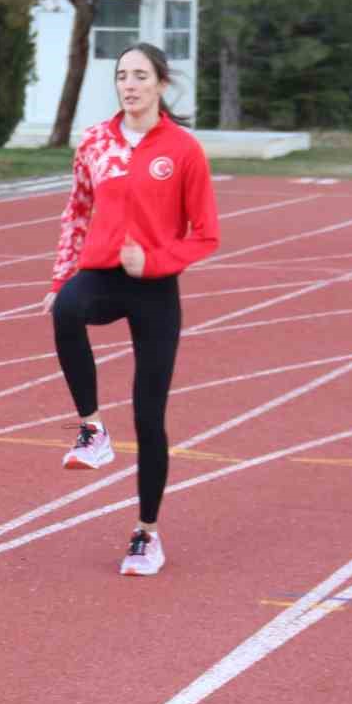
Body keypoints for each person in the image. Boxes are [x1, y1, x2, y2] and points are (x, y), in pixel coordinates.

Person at [41, 42, 219, 575]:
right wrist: (60, 277)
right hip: (101, 274)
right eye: (123, 75)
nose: (130, 84)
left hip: (155, 289)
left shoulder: (183, 150)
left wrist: (158, 260)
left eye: (141, 75)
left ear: (161, 84)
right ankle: (92, 430)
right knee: (65, 311)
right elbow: (76, 213)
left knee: (150, 416)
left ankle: (146, 533)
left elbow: (206, 235)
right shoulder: (95, 142)